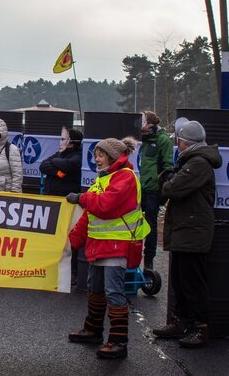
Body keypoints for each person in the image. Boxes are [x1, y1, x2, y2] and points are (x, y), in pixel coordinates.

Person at [65, 137, 149, 359]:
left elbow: (104, 206)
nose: (96, 159)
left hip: (117, 246)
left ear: (112, 157)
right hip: (99, 245)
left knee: (113, 293)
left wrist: (81, 198)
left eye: (100, 155)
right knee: (95, 289)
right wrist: (71, 242)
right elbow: (89, 216)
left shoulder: (126, 177)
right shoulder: (103, 178)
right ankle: (93, 330)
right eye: (95, 155)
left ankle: (119, 341)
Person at [152, 120, 221, 348]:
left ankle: (201, 327)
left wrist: (168, 179)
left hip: (193, 230)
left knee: (193, 281)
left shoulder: (198, 163)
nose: (177, 144)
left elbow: (172, 188)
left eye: (179, 141)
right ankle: (180, 321)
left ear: (185, 142)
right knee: (180, 279)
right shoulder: (191, 161)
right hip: (185, 229)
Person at [39, 126, 83, 283]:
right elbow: (43, 165)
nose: (60, 142)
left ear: (72, 142)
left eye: (64, 139)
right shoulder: (60, 154)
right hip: (53, 202)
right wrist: (58, 172)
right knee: (54, 237)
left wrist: (55, 163)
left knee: (69, 238)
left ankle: (72, 271)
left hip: (68, 204)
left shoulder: (78, 156)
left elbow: (69, 166)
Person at [137, 111, 173, 270]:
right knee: (131, 224)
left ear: (150, 124)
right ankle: (131, 257)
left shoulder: (162, 140)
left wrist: (161, 189)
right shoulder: (136, 139)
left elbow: (167, 166)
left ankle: (149, 260)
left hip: (152, 190)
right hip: (135, 189)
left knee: (150, 226)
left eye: (142, 122)